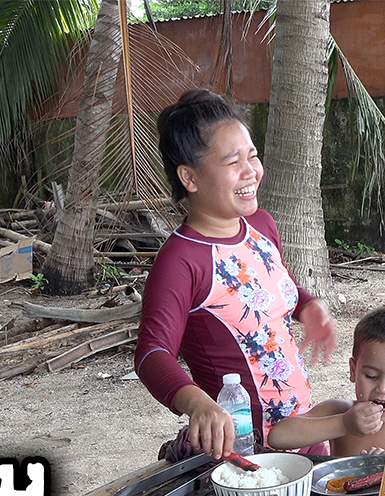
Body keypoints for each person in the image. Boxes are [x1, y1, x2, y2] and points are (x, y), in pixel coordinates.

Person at [135, 89, 337, 459]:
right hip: (246, 451)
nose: (251, 171)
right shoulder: (181, 260)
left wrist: (307, 306)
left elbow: (273, 281)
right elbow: (152, 353)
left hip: (303, 430)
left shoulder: (261, 224)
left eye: (253, 155)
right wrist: (197, 403)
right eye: (233, 162)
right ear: (189, 178)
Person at [267, 307, 385, 463]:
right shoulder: (338, 411)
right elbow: (278, 437)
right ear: (353, 371)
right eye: (371, 376)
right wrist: (343, 424)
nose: (382, 388)